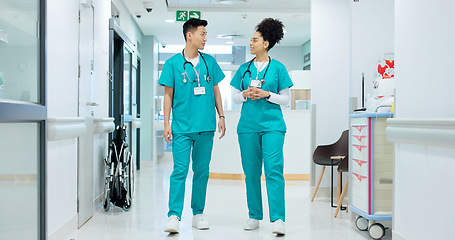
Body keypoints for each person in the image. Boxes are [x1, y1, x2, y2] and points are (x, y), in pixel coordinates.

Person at [159, 18, 226, 233]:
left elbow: (216, 90)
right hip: (181, 127)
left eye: (206, 34)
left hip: (205, 127)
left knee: (201, 171)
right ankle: (173, 216)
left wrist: (221, 115)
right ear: (190, 35)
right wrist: (166, 123)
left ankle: (198, 213)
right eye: (202, 34)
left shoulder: (210, 62)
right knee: (179, 170)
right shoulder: (172, 63)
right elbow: (168, 95)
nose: (205, 38)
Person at [230, 18, 293, 235]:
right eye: (251, 39)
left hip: (273, 126)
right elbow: (234, 98)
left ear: (266, 43)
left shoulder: (278, 68)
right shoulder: (244, 69)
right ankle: (254, 215)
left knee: (274, 170)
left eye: (255, 40)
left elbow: (286, 99)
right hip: (247, 126)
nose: (250, 43)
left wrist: (267, 94)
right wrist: (245, 95)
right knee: (251, 172)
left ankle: (278, 219)